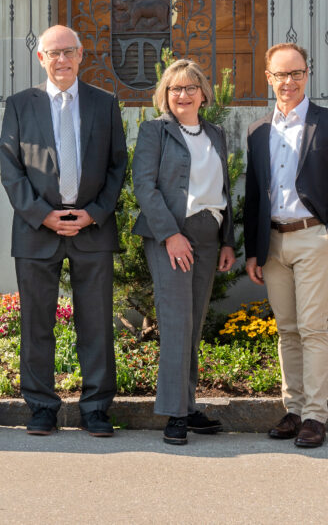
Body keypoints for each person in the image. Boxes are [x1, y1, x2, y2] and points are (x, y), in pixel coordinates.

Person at [0, 25, 127, 437]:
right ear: (41, 58)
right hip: (37, 230)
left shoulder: (104, 103)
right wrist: (42, 214)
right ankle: (40, 407)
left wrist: (95, 213)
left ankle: (96, 408)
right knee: (36, 324)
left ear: (81, 55)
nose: (61, 60)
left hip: (92, 228)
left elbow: (117, 165)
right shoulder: (21, 105)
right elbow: (11, 168)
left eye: (69, 51)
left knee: (97, 323)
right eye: (53, 53)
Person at [244, 43, 328, 448]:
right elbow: (253, 196)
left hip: (314, 237)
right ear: (269, 78)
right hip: (273, 242)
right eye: (281, 74)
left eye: (296, 73)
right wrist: (253, 250)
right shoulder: (258, 130)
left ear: (307, 74)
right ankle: (293, 410)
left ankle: (315, 416)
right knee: (287, 330)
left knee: (312, 329)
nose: (289, 82)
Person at [132, 59, 236, 446]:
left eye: (191, 87)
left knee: (192, 324)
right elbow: (144, 186)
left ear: (203, 94)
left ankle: (187, 405)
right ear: (165, 94)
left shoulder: (215, 133)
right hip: (171, 235)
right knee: (176, 322)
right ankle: (174, 413)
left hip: (209, 235)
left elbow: (225, 190)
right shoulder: (154, 131)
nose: (183, 94)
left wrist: (228, 240)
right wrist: (171, 235)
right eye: (175, 88)